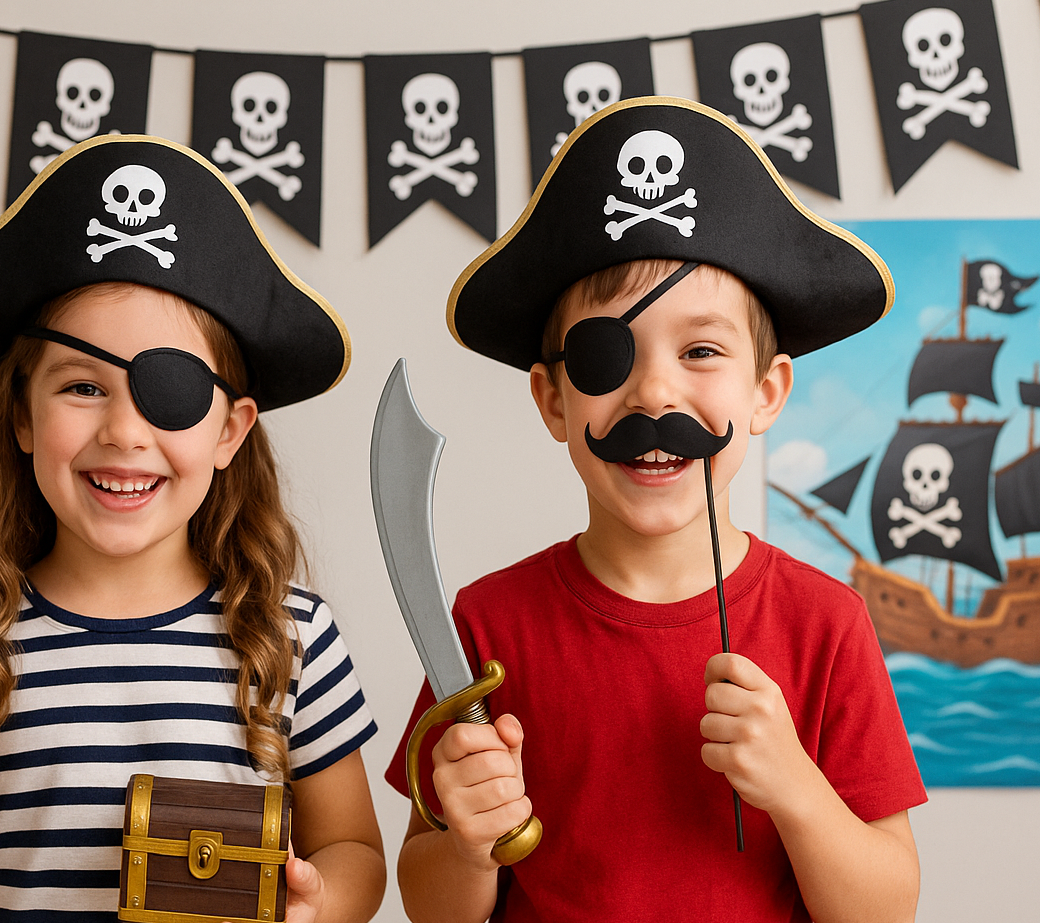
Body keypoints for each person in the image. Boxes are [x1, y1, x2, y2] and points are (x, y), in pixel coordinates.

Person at [386, 98, 926, 922]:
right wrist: (466, 841)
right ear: (554, 398)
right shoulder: (487, 623)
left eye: (701, 350)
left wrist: (795, 786)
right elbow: (429, 903)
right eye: (606, 355)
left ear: (766, 390)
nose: (655, 393)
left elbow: (885, 909)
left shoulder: (827, 623)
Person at [0, 136, 384, 923]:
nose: (125, 432)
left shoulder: (293, 638)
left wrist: (316, 902)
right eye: (84, 385)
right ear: (23, 413)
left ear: (229, 431)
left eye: (170, 389)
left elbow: (356, 852)